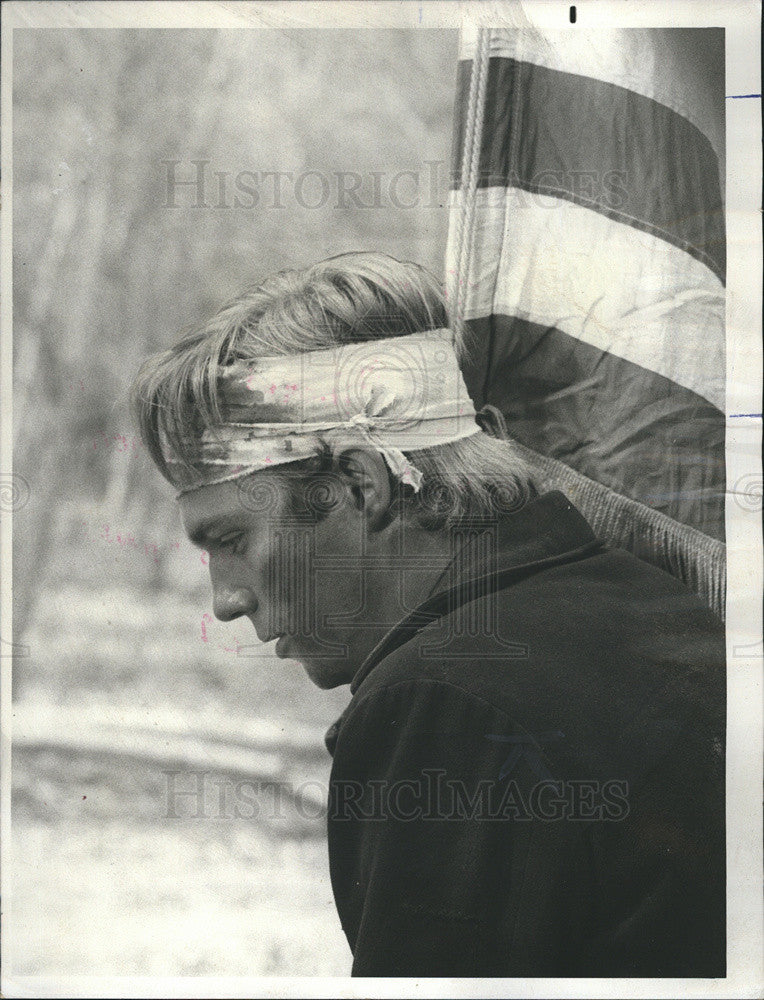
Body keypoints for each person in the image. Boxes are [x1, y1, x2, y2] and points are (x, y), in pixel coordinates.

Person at [131, 252, 726, 977]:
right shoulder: (649, 599)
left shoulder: (442, 707)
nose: (225, 599)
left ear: (358, 483)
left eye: (230, 540)